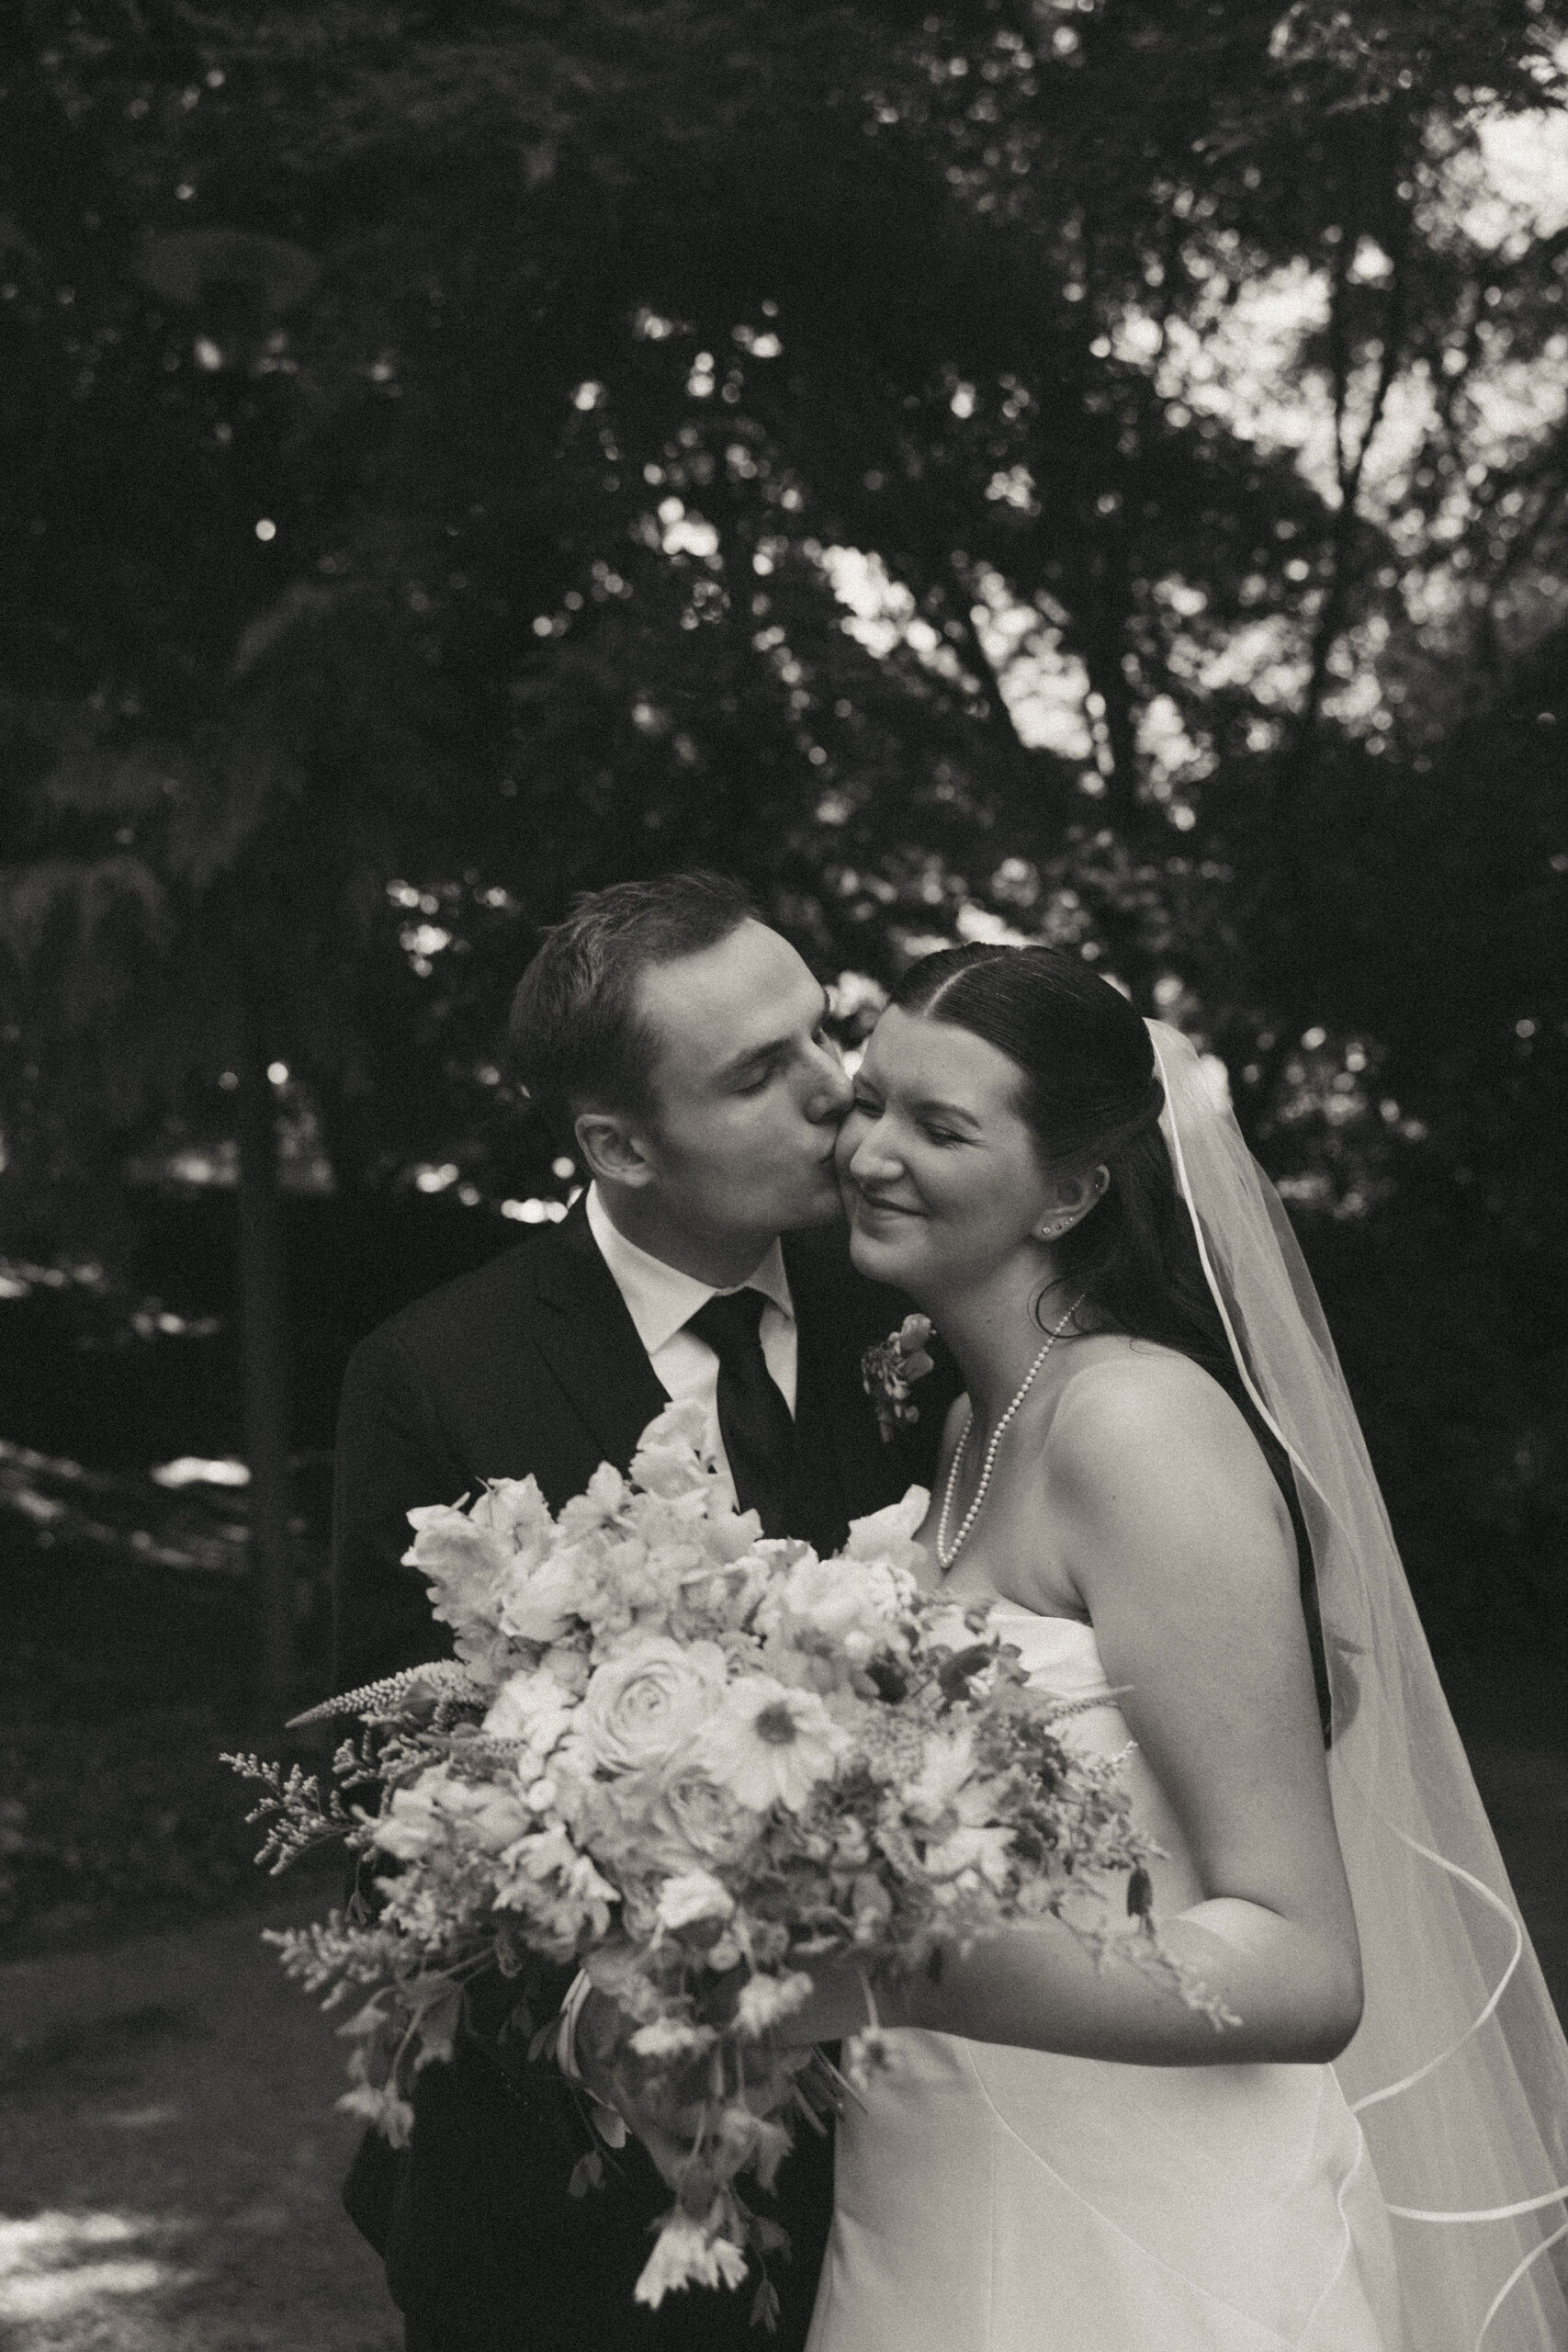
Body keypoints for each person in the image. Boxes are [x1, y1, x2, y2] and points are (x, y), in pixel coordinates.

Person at [779, 943, 1568, 2352]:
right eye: (871, 1099)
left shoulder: (1138, 1429)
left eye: (940, 1127)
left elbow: (1304, 1964)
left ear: (1074, 1191)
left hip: (1142, 2239)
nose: (869, 1150)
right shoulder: (974, 1425)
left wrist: (906, 1970)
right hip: (936, 2183)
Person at [329, 873, 951, 2352]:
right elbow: (381, 1788)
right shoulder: (438, 1376)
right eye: (759, 1074)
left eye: (824, 1034)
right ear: (616, 1144)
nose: (835, 1092)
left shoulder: (920, 1313)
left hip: (920, 2177)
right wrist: (622, 2041)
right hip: (564, 2219)